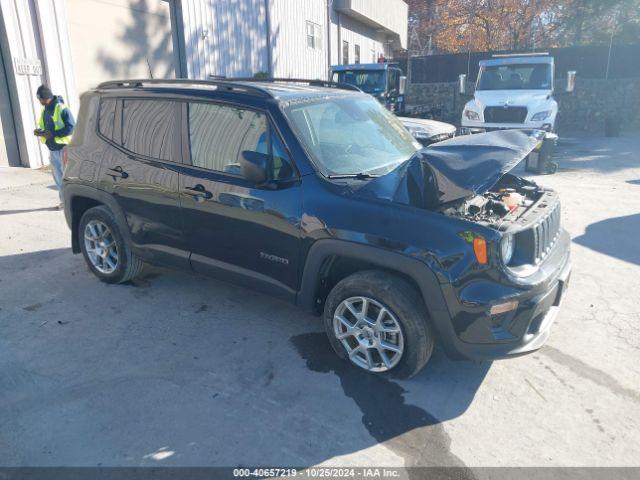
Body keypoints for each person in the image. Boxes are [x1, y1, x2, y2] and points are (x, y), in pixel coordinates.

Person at [33, 85, 75, 209]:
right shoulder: (45, 110)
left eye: (40, 99)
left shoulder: (62, 108)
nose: (39, 101)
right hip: (52, 149)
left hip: (64, 148)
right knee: (58, 178)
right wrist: (39, 132)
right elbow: (44, 127)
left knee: (66, 177)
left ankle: (72, 202)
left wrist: (54, 134)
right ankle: (64, 202)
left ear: (46, 97)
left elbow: (71, 127)